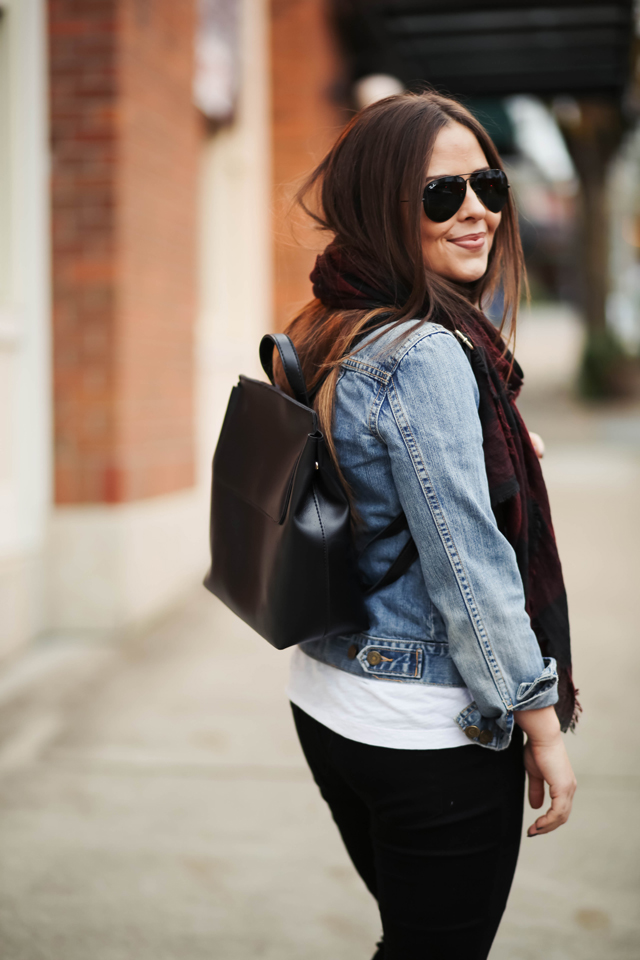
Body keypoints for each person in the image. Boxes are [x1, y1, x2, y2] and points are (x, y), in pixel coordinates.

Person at [276, 91, 578, 960]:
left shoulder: (338, 321)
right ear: (381, 206)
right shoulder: (426, 350)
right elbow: (468, 563)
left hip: (332, 698)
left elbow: (372, 483)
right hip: (427, 726)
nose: (477, 209)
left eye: (487, 183)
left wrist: (504, 451)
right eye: (440, 194)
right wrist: (541, 724)